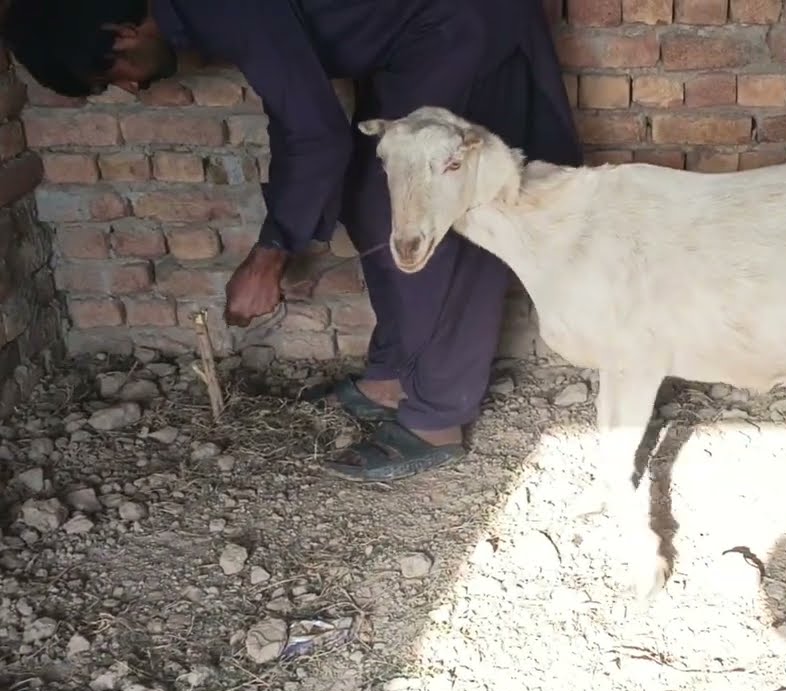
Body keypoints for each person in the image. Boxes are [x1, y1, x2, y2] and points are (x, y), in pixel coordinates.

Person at [3, 0, 584, 481]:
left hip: (460, 23)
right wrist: (284, 237)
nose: (130, 86)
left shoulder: (223, 6)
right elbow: (302, 118)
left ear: (125, 29)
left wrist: (270, 254)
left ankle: (437, 416)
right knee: (368, 191)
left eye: (114, 72)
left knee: (433, 212)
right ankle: (392, 376)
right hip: (418, 35)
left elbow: (312, 130)